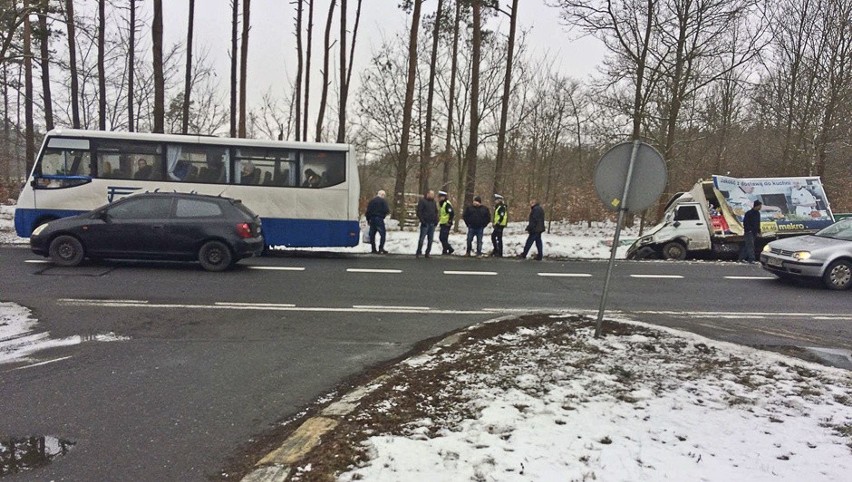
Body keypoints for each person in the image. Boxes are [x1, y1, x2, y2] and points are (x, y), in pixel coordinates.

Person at [365, 190, 390, 254]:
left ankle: (373, 249)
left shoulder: (372, 201)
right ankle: (381, 248)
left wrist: (368, 220)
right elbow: (387, 210)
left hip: (372, 219)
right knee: (382, 234)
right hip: (379, 219)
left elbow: (368, 211)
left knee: (372, 235)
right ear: (383, 195)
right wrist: (383, 215)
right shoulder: (383, 201)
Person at [415, 190, 439, 258]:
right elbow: (419, 212)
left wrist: (436, 221)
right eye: (431, 194)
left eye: (433, 194)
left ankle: (428, 252)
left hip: (432, 223)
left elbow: (436, 212)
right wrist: (422, 221)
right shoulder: (422, 201)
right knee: (422, 238)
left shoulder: (434, 202)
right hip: (425, 223)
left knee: (430, 239)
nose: (432, 196)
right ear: (427, 194)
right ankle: (419, 251)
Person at [437, 190, 455, 255]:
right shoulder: (442, 204)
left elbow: (451, 213)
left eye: (440, 197)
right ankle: (446, 250)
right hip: (443, 223)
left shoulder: (447, 204)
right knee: (443, 237)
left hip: (446, 223)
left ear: (444, 197)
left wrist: (449, 221)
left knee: (443, 237)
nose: (439, 198)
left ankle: (449, 249)